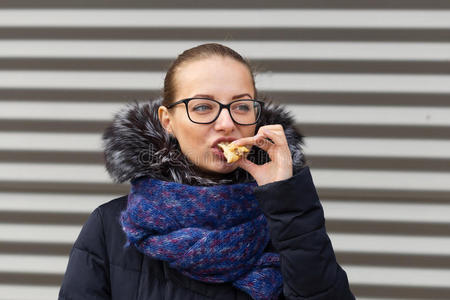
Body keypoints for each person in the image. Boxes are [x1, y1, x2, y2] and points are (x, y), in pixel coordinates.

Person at [58, 43, 355, 300]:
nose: (227, 123)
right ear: (167, 120)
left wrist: (287, 198)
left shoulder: (285, 219)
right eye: (202, 107)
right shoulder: (109, 228)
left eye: (241, 106)